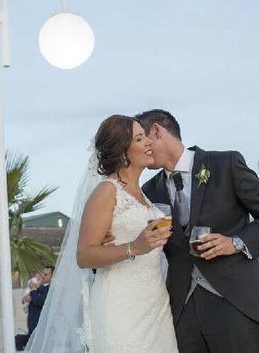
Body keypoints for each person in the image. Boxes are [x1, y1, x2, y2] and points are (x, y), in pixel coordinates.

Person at [136, 109, 259, 353]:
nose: (139, 150)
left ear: (157, 131)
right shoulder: (149, 190)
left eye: (140, 140)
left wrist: (236, 242)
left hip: (237, 301)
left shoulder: (225, 164)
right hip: (182, 308)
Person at [25, 114, 177, 352]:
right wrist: (134, 247)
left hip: (155, 305)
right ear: (122, 151)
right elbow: (84, 256)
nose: (148, 142)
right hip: (119, 306)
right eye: (139, 138)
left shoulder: (147, 196)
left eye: (146, 136)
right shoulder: (106, 191)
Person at [24, 266, 54, 337]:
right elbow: (27, 298)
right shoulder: (40, 287)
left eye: (46, 275)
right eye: (43, 274)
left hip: (42, 328)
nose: (43, 276)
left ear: (53, 276)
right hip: (33, 326)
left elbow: (39, 301)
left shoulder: (52, 289)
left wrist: (34, 290)